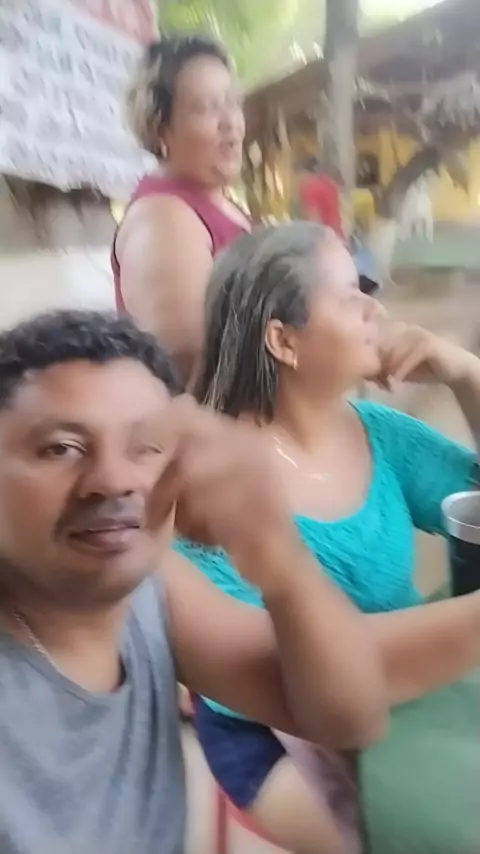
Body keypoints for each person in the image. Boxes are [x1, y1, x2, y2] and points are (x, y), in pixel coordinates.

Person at [1, 311, 480, 854]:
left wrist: (278, 558)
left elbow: (346, 717)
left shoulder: (152, 588)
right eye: (61, 448)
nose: (114, 480)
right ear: (281, 339)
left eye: (147, 446)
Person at [175, 221, 480, 853]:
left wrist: (465, 374)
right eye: (350, 297)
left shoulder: (379, 433)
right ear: (282, 340)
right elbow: (297, 674)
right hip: (274, 725)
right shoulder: (216, 480)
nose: (377, 311)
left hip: (406, 695)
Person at [112, 36, 250, 384]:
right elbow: (189, 365)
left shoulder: (217, 200)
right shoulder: (161, 218)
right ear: (161, 129)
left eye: (232, 103)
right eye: (206, 107)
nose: (230, 122)